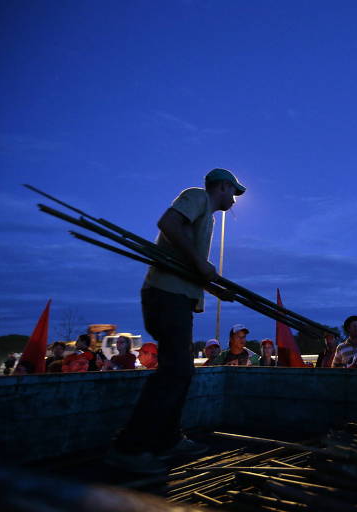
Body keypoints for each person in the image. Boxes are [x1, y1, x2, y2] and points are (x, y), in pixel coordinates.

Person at [107, 167, 246, 474]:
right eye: (233, 192)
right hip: (164, 296)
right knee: (176, 371)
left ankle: (167, 439)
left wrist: (214, 287)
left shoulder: (206, 218)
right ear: (221, 187)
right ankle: (129, 447)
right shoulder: (196, 197)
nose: (235, 200)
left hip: (177, 299)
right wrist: (200, 264)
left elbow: (190, 266)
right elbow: (168, 223)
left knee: (180, 372)